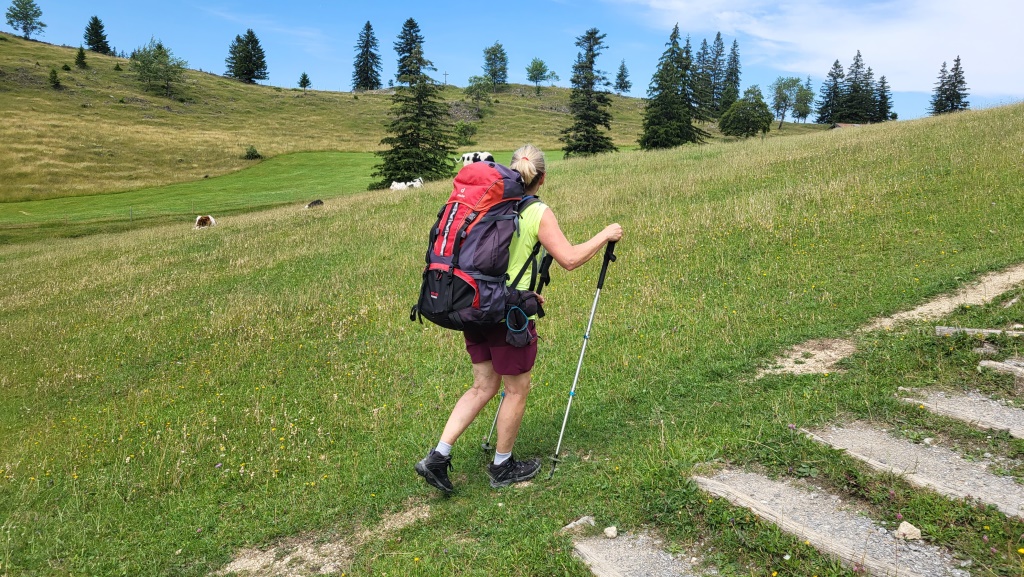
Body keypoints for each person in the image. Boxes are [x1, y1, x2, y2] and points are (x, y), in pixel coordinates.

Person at [415, 144, 623, 492]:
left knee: (482, 386)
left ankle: (437, 456)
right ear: (542, 178)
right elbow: (570, 259)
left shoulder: (487, 204)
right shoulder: (537, 211)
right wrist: (605, 234)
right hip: (507, 314)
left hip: (472, 304)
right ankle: (502, 466)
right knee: (516, 389)